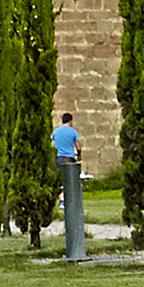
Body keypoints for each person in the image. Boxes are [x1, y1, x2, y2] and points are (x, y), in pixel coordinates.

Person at [53, 112, 86, 262]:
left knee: (61, 182)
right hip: (69, 157)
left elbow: (53, 143)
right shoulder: (73, 132)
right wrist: (79, 154)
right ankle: (69, 199)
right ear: (71, 121)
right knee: (71, 181)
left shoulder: (56, 132)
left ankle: (61, 200)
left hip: (58, 157)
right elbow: (77, 145)